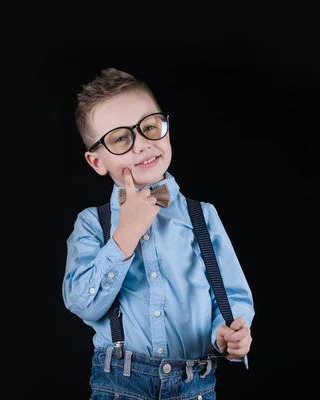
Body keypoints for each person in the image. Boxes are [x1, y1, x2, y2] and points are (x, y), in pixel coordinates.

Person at [62, 67, 255, 399]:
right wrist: (127, 233)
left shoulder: (203, 216)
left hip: (194, 385)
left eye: (149, 126)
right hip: (120, 386)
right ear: (97, 162)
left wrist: (228, 333)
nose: (142, 144)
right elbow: (82, 302)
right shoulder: (92, 224)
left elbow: (233, 294)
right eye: (121, 138)